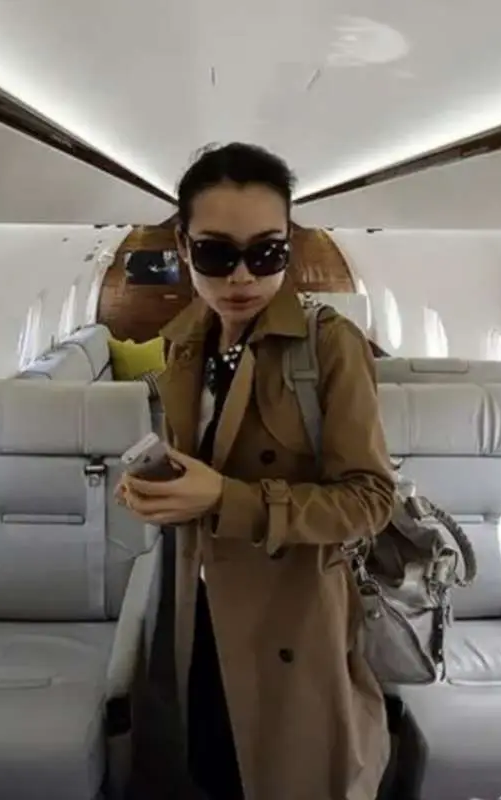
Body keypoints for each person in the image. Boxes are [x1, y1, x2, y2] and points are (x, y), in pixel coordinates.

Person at [117, 143, 396, 800]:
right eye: (217, 254)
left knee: (288, 775)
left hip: (293, 614)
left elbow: (370, 500)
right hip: (200, 601)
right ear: (183, 247)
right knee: (211, 767)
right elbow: (199, 467)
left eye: (267, 253)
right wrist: (160, 491)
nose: (242, 277)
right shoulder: (186, 343)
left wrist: (225, 498)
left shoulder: (329, 344)